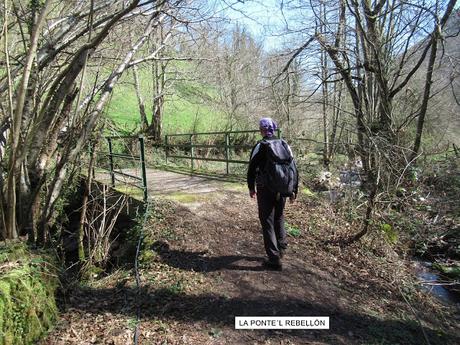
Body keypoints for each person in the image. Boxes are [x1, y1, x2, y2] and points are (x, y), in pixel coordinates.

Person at [247, 118, 298, 270]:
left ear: (262, 130)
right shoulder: (284, 144)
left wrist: (251, 187)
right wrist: (294, 190)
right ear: (273, 129)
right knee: (279, 216)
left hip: (265, 188)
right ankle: (281, 248)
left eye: (260, 128)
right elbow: (293, 168)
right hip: (282, 188)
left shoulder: (260, 145)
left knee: (267, 221)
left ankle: (274, 259)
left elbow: (251, 168)